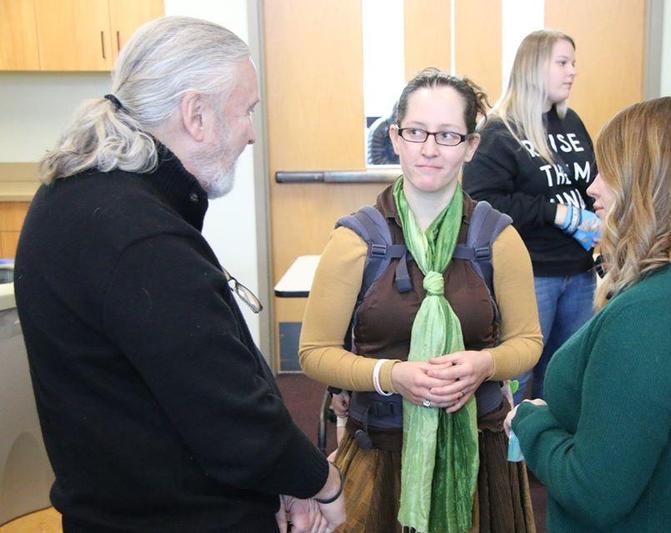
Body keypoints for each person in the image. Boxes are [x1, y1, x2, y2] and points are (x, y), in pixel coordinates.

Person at [14, 17, 344, 533]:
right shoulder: (140, 238)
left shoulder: (79, 194)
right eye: (247, 112)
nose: (252, 133)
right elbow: (233, 423)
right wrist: (323, 483)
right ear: (196, 114)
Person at [504, 96, 671, 532]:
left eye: (607, 171)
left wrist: (533, 422)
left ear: (652, 185)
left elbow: (593, 493)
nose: (592, 187)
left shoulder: (652, 314)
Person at [299, 67, 543, 532]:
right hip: (382, 448)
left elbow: (527, 341)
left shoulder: (499, 238)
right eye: (416, 132)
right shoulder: (357, 240)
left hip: (479, 450)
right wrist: (391, 375)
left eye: (448, 135)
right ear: (395, 137)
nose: (429, 148)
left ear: (471, 146)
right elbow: (314, 354)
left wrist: (484, 366)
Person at [463, 30, 599, 404]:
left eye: (573, 63)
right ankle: (514, 461)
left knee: (569, 376)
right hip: (532, 273)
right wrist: (555, 213)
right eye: (562, 63)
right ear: (533, 67)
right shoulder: (498, 131)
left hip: (580, 271)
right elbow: (481, 202)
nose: (572, 71)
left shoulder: (571, 122)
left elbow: (589, 183)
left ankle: (552, 461)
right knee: (521, 379)